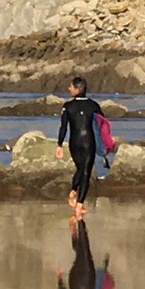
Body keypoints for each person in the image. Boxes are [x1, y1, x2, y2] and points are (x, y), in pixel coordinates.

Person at [55, 75, 102, 218]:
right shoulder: (94, 105)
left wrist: (59, 144)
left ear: (76, 89)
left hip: (74, 143)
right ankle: (78, 201)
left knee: (81, 169)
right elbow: (102, 126)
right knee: (85, 171)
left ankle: (75, 195)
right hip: (89, 142)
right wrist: (106, 143)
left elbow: (63, 127)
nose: (69, 88)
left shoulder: (68, 106)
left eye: (71, 87)